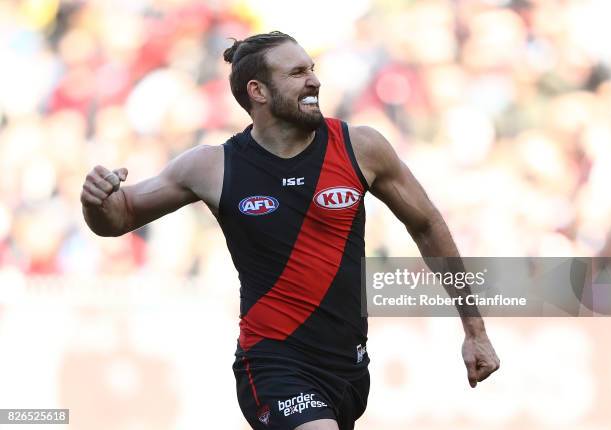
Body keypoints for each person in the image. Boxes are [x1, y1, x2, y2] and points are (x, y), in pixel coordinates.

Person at [81, 31, 500, 430]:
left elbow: (427, 225)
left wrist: (475, 331)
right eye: (297, 73)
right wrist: (95, 201)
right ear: (257, 91)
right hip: (272, 360)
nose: (314, 80)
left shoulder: (361, 147)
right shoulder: (213, 166)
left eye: (311, 68)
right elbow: (119, 217)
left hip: (348, 367)